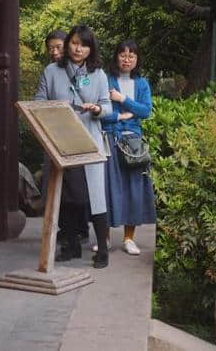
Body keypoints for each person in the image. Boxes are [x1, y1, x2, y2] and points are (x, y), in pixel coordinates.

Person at [34, 25, 112, 269]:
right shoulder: (51, 70)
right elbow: (38, 100)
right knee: (65, 195)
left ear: (91, 49)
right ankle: (71, 244)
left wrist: (97, 109)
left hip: (88, 139)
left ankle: (102, 249)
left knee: (96, 197)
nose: (79, 48)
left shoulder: (98, 74)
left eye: (84, 45)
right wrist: (55, 109)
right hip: (61, 141)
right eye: (75, 43)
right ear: (68, 43)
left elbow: (107, 106)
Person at [101, 40, 156, 255]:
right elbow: (103, 113)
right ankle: (103, 238)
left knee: (133, 189)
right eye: (123, 55)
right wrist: (123, 115)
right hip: (110, 140)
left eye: (131, 55)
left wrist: (122, 98)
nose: (126, 59)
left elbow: (145, 111)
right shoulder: (106, 80)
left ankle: (129, 239)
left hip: (133, 143)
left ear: (137, 59)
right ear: (116, 57)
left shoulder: (141, 83)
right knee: (107, 189)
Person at [44, 30, 90, 245]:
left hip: (82, 136)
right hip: (56, 136)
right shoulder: (50, 71)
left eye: (59, 47)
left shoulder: (88, 70)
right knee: (59, 189)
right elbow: (40, 100)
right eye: (51, 48)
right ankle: (67, 232)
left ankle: (81, 229)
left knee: (79, 191)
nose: (55, 52)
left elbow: (93, 99)